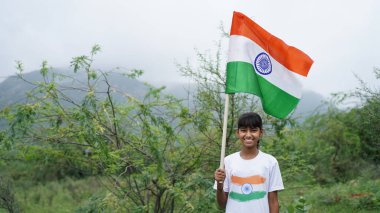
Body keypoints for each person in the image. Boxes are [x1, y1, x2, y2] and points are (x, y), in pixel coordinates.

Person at [214, 112, 284, 213]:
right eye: (243, 130)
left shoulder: (270, 162)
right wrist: (219, 186)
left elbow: (273, 202)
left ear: (261, 133)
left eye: (253, 130)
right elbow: (222, 205)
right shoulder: (227, 161)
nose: (248, 135)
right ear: (237, 133)